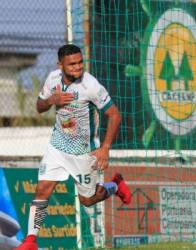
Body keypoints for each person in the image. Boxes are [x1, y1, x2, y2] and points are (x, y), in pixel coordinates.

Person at [17, 44, 131, 250]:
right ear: (60, 65)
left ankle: (115, 186)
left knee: (87, 200)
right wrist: (52, 100)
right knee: (42, 189)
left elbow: (114, 114)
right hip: (57, 147)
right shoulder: (52, 79)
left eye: (80, 62)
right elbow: (39, 107)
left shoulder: (91, 86)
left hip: (83, 152)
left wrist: (105, 148)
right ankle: (30, 241)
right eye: (72, 64)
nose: (78, 67)